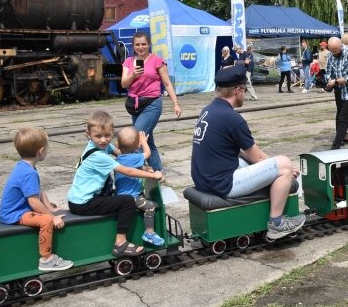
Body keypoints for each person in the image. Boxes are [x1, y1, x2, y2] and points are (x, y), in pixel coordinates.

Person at [191, 65, 306, 240]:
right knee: (285, 164)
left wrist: (269, 166)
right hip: (223, 184)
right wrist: (286, 170)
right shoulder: (232, 118)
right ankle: (277, 223)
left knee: (272, 165)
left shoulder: (208, 110)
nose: (244, 94)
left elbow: (240, 150)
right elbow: (257, 156)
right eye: (244, 90)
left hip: (204, 178)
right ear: (237, 90)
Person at [67, 110, 164, 257]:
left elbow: (123, 154)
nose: (103, 140)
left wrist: (140, 160)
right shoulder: (99, 155)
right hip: (84, 202)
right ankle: (120, 244)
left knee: (117, 195)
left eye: (107, 135)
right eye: (98, 136)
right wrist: (154, 174)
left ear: (112, 133)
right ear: (88, 134)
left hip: (80, 197)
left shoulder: (103, 146)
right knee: (127, 201)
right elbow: (127, 171)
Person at [0, 127, 73, 272]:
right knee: (45, 221)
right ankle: (46, 259)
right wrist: (52, 217)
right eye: (47, 148)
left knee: (47, 215)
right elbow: (33, 202)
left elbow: (38, 190)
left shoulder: (25, 166)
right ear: (40, 151)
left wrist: (50, 208)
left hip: (18, 211)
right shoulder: (28, 173)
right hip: (14, 214)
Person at [120, 32, 182, 173]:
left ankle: (133, 174)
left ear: (149, 45)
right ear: (133, 46)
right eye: (137, 44)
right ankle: (158, 172)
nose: (141, 47)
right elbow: (124, 84)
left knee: (136, 140)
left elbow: (167, 84)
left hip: (152, 104)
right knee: (148, 141)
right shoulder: (129, 62)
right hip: (135, 105)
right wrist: (133, 74)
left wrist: (175, 103)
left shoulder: (157, 61)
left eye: (143, 44)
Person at [115, 126, 165, 247]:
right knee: (150, 207)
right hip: (131, 197)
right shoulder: (134, 157)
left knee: (149, 201)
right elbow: (148, 153)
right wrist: (143, 141)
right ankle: (149, 233)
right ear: (137, 146)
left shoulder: (119, 158)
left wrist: (147, 170)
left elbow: (135, 168)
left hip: (123, 195)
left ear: (117, 144)